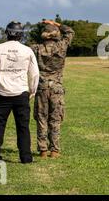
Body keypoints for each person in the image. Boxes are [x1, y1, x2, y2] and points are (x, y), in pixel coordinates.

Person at [0, 21, 39, 163]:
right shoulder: (27, 50)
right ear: (21, 35)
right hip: (21, 94)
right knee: (23, 127)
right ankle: (25, 157)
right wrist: (32, 91)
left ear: (6, 33)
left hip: (2, 94)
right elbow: (35, 74)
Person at [30, 20, 75, 158]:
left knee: (41, 118)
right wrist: (56, 23)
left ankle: (43, 150)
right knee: (55, 119)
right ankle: (54, 150)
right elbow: (70, 32)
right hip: (56, 87)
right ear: (56, 35)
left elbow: (19, 51)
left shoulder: (36, 48)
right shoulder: (61, 46)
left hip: (41, 88)